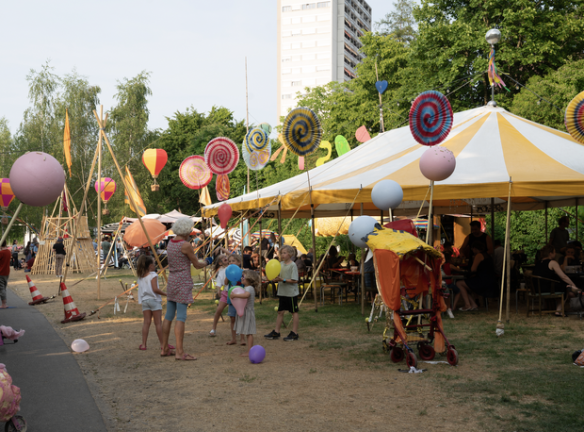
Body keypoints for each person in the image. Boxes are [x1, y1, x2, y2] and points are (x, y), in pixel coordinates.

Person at [160, 217, 212, 361]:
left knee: (169, 316)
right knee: (181, 317)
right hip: (182, 282)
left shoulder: (170, 243)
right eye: (189, 229)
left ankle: (164, 348)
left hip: (172, 281)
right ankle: (179, 352)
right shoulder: (185, 245)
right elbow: (197, 265)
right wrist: (209, 261)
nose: (191, 231)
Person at [264, 245, 300, 341]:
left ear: (291, 254)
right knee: (280, 312)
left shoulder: (293, 265)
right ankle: (276, 332)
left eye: (284, 253)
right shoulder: (280, 264)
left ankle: (294, 333)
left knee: (294, 312)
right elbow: (278, 276)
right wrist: (275, 279)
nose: (282, 255)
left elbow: (295, 280)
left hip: (291, 293)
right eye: (281, 253)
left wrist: (282, 279)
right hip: (282, 292)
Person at [136, 255, 171, 351]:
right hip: (154, 300)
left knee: (146, 323)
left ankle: (143, 344)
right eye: (154, 264)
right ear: (150, 266)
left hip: (145, 301)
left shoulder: (141, 276)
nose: (155, 265)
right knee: (158, 323)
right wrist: (166, 294)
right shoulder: (153, 275)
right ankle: (163, 344)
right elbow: (155, 289)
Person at [534, 245, 580, 317]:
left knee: (562, 285)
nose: (555, 254)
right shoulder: (552, 262)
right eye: (554, 252)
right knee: (566, 286)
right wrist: (573, 285)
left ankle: (559, 310)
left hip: (537, 288)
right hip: (546, 288)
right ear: (550, 253)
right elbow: (563, 276)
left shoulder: (538, 262)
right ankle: (559, 311)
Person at [455, 242, 498, 311]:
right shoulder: (488, 255)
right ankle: (473, 304)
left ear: (474, 248)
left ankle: (467, 305)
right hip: (491, 281)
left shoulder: (479, 255)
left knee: (459, 283)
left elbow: (473, 269)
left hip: (483, 282)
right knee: (464, 285)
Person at [232, 269, 259, 357]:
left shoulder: (249, 288)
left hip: (248, 313)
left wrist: (235, 295)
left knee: (249, 332)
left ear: (249, 278)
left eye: (243, 276)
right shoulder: (246, 287)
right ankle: (249, 350)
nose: (241, 278)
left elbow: (246, 295)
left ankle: (249, 351)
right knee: (247, 332)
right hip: (245, 312)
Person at [209, 255, 228, 335]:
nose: (225, 257)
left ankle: (237, 329)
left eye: (225, 256)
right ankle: (213, 329)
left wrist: (221, 248)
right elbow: (219, 282)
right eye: (223, 257)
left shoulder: (232, 265)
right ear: (220, 262)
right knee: (218, 310)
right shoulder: (220, 271)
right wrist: (218, 290)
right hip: (226, 292)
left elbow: (230, 255)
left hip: (235, 292)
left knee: (235, 313)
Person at [0, 241, 10, 309]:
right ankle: (4, 303)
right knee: (3, 287)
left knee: (1, 288)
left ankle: (4, 304)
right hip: (6, 272)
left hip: (1, 272)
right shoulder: (8, 252)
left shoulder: (1, 253)